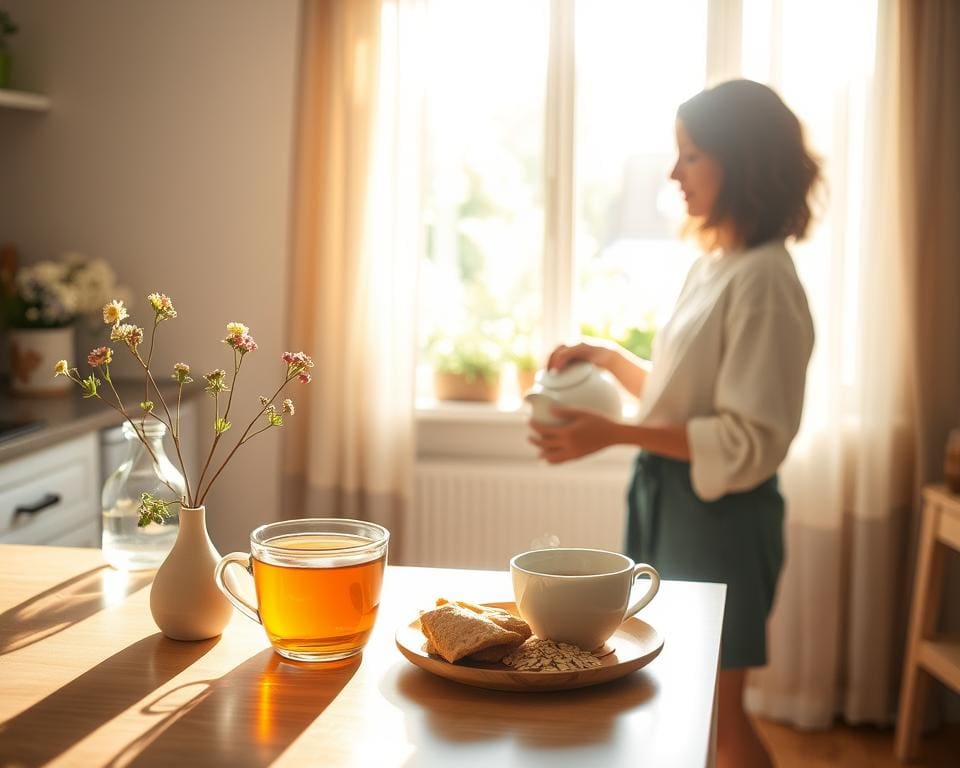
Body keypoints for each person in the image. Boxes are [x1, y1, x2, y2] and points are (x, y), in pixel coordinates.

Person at [529, 79, 820, 768]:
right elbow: (679, 397)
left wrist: (615, 434)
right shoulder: (715, 266)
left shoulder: (767, 282)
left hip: (721, 519)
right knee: (685, 702)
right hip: (671, 502)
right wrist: (605, 357)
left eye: (690, 155)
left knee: (720, 714)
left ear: (739, 162)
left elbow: (746, 440)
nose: (672, 173)